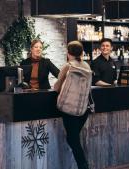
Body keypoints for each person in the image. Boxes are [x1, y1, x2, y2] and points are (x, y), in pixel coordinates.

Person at [54, 41, 91, 169]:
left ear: (68, 53)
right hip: (83, 110)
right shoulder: (87, 66)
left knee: (73, 140)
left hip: (68, 109)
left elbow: (57, 87)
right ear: (81, 53)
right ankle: (83, 165)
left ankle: (83, 166)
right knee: (73, 139)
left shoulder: (68, 66)